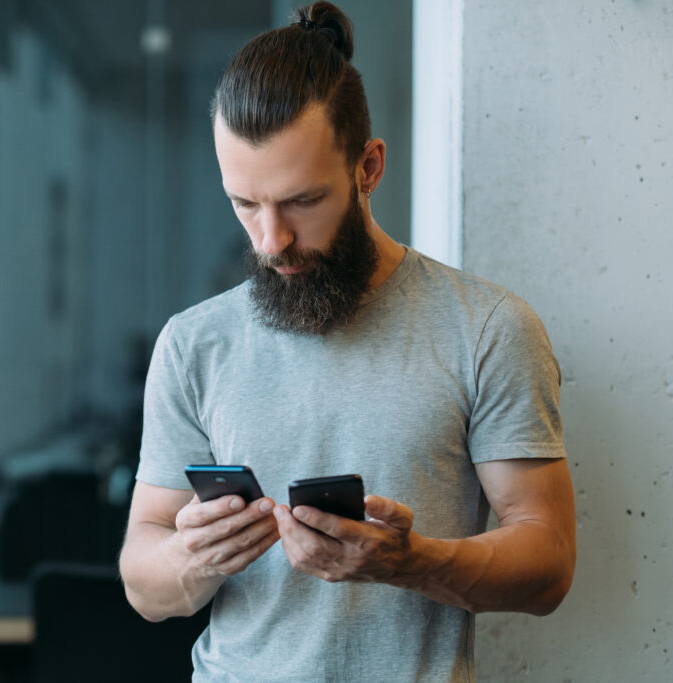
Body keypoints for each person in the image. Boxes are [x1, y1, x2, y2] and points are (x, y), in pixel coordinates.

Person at [118, 2, 576, 681]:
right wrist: (196, 555)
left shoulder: (487, 328)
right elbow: (143, 584)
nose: (271, 241)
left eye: (302, 201)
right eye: (246, 203)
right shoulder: (193, 345)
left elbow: (549, 565)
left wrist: (410, 561)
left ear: (368, 167)